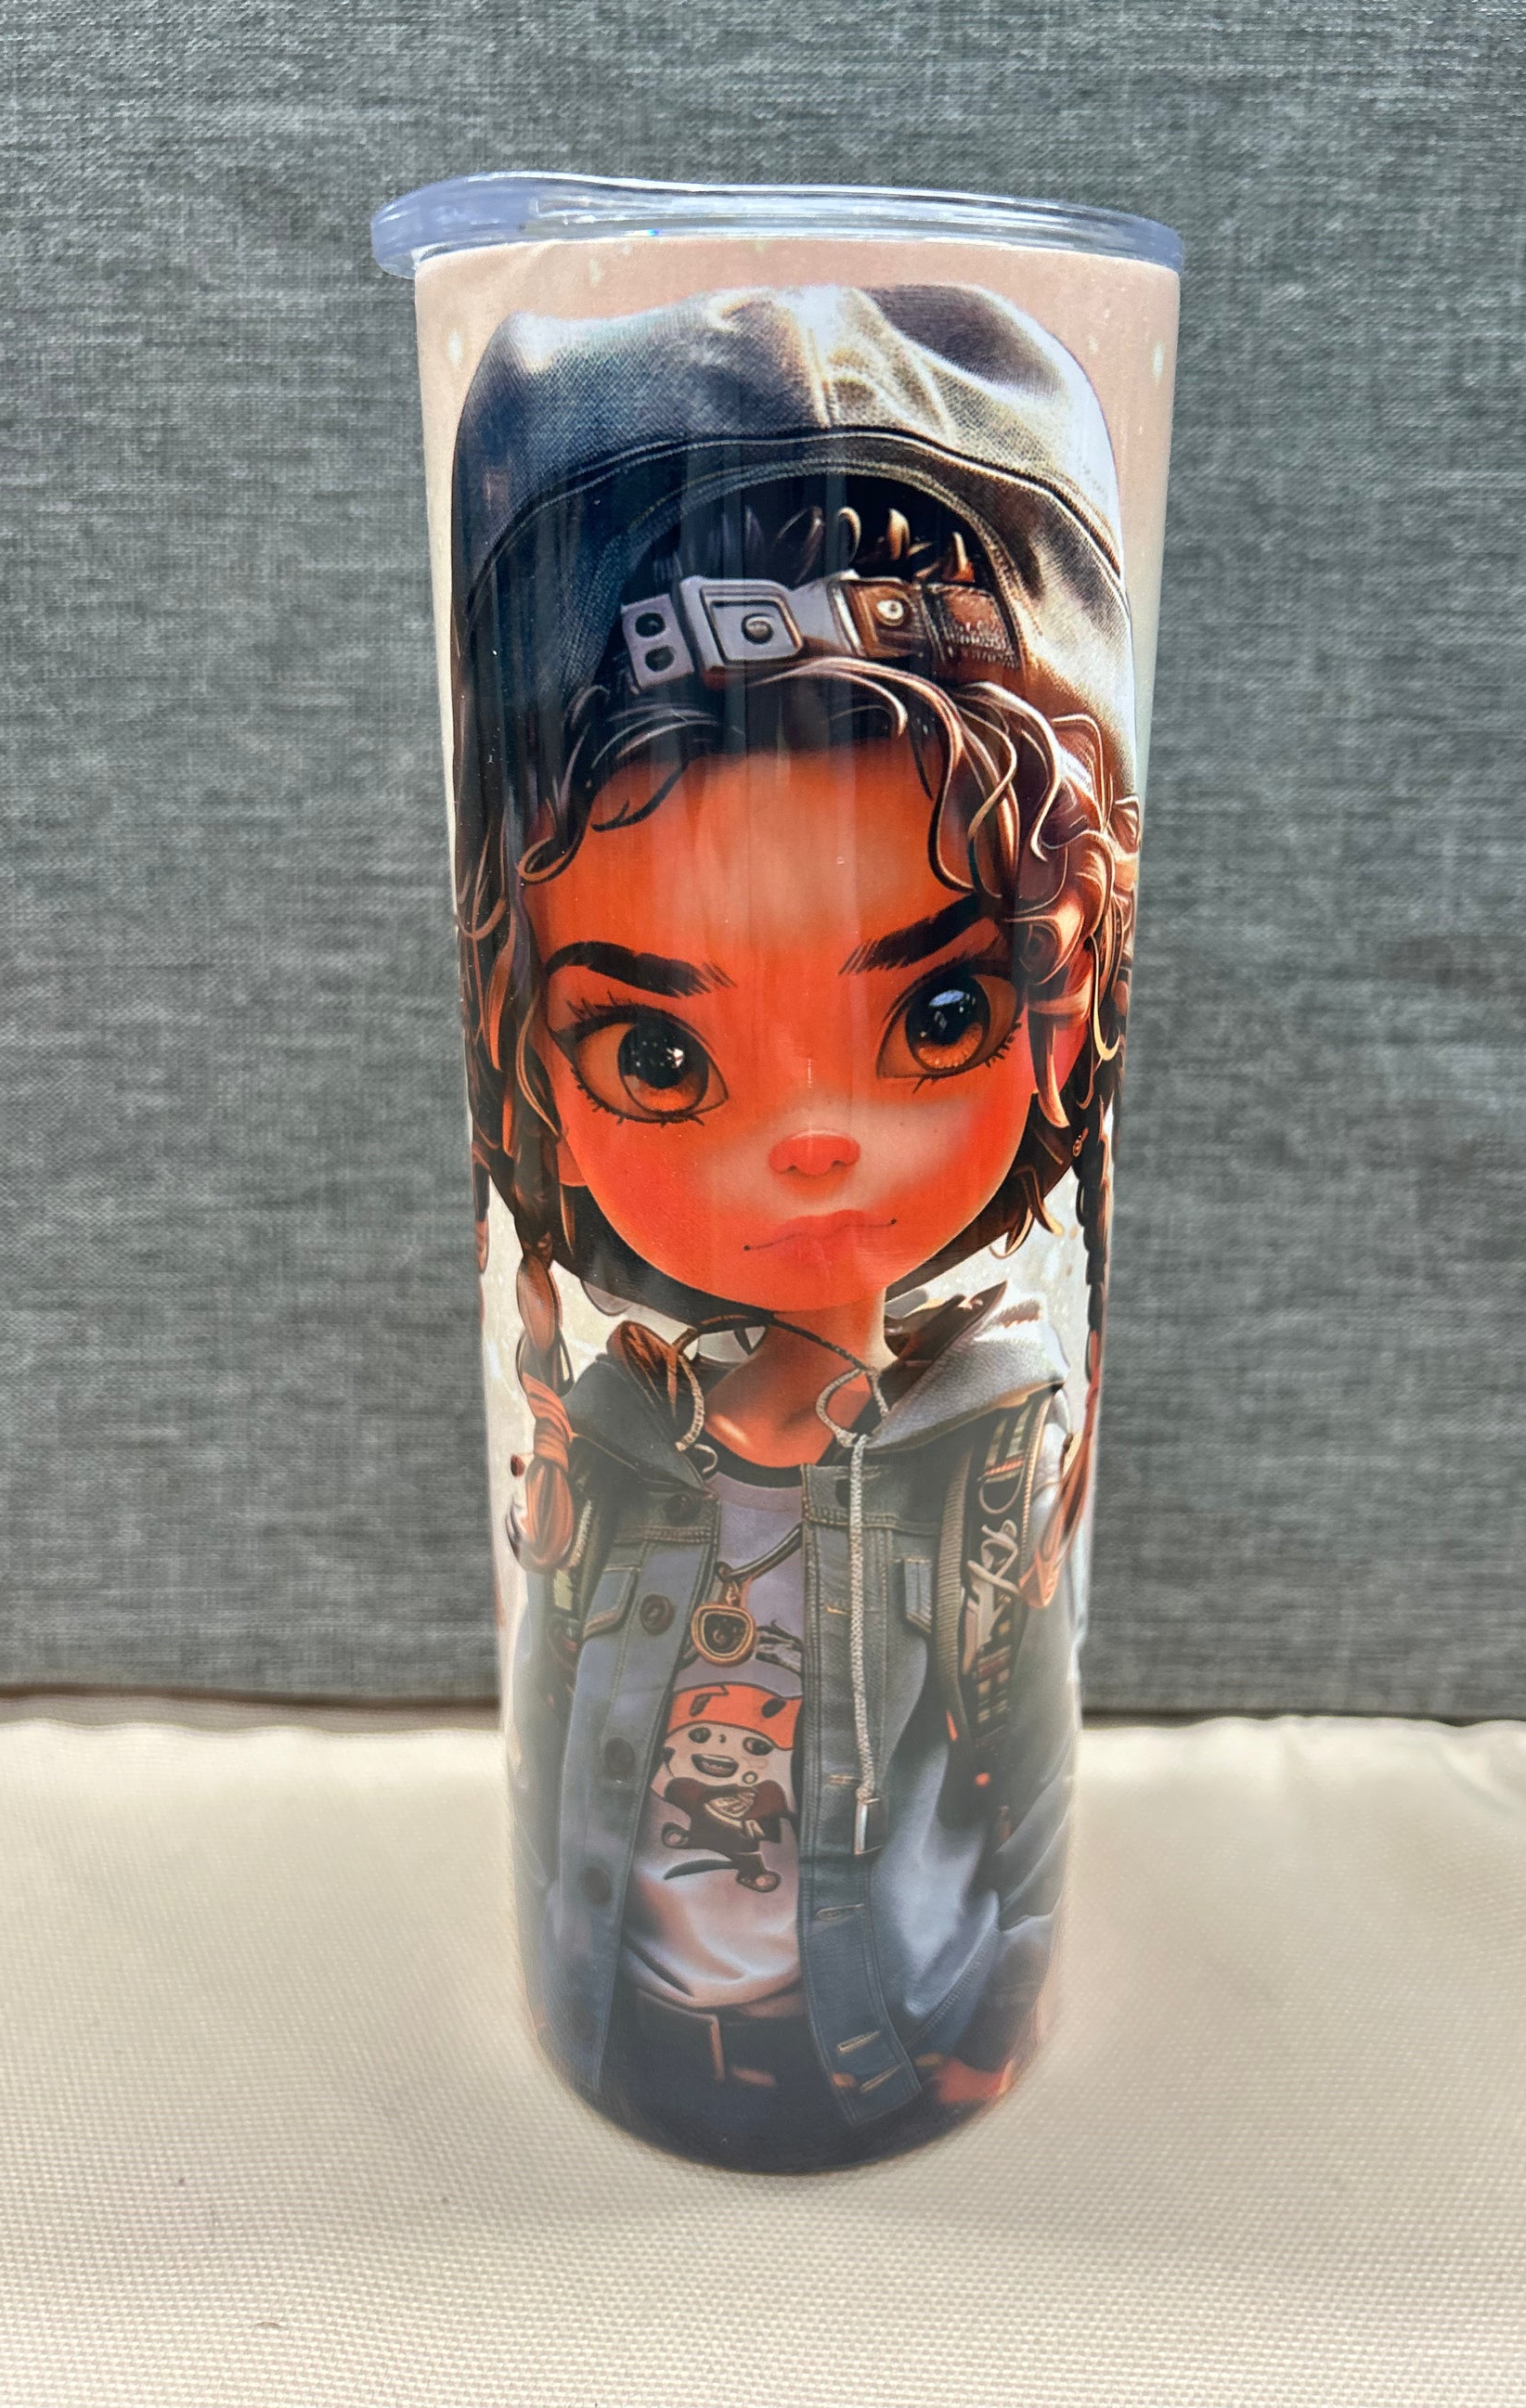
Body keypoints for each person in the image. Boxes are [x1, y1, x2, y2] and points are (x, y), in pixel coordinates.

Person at [447, 283, 1142, 2171]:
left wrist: (991, 1995)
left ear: (1067, 988)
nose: (814, 1146)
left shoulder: (991, 1427)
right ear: (528, 1047)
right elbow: (561, 1704)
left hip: (905, 2030)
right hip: (617, 2017)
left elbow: (1008, 1741)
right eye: (661, 1053)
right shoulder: (605, 1421)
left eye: (939, 1012)